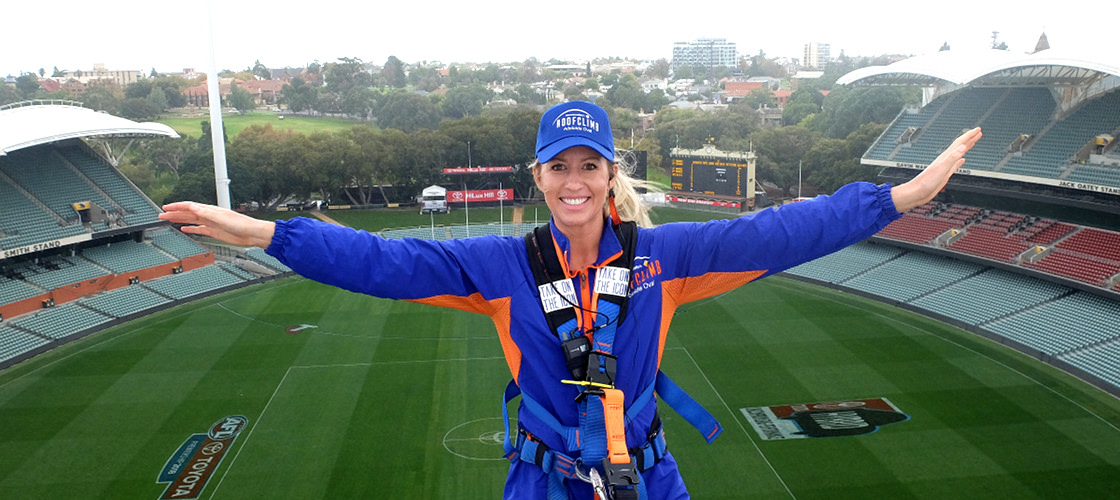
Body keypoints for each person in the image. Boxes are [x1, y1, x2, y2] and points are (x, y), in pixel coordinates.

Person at [160, 101, 981, 499]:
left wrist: (895, 199)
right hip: (545, 483)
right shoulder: (500, 267)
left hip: (646, 480)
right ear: (540, 177)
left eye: (591, 166)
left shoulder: (664, 258)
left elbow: (778, 231)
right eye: (561, 166)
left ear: (611, 175)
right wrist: (272, 234)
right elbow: (387, 262)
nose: (576, 181)